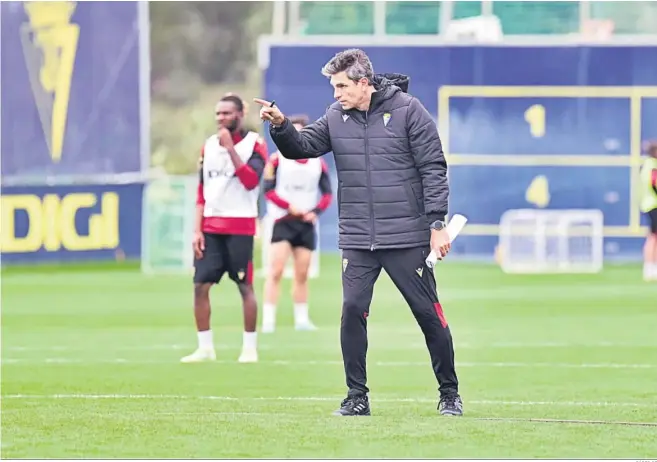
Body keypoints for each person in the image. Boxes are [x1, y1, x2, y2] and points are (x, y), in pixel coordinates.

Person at [255, 48, 462, 416]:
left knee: (428, 314)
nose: (336, 94)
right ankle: (356, 396)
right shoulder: (336, 116)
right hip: (358, 237)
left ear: (363, 84)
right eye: (334, 87)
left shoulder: (409, 110)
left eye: (341, 86)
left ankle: (449, 394)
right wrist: (281, 125)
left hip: (406, 236)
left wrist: (436, 225)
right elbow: (301, 148)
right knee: (352, 310)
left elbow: (433, 167)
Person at [181, 94, 267, 364]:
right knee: (200, 286)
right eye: (218, 113)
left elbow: (252, 181)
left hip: (240, 226)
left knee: (245, 286)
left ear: (240, 114)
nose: (221, 118)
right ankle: (205, 347)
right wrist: (197, 230)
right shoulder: (208, 146)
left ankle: (249, 348)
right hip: (210, 227)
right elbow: (201, 190)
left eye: (227, 113)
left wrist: (231, 149)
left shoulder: (255, 144)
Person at [261, 115, 333, 333]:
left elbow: (328, 193)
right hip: (283, 222)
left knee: (302, 274)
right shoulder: (277, 160)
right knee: (276, 271)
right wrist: (288, 206)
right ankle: (268, 320)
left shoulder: (317, 162)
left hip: (306, 224)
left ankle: (302, 320)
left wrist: (315, 212)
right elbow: (268, 189)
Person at [641, 141, 657, 281]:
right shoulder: (653, 166)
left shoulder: (646, 165)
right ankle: (650, 267)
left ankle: (651, 266)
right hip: (654, 205)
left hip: (648, 204)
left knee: (653, 236)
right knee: (653, 237)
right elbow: (654, 184)